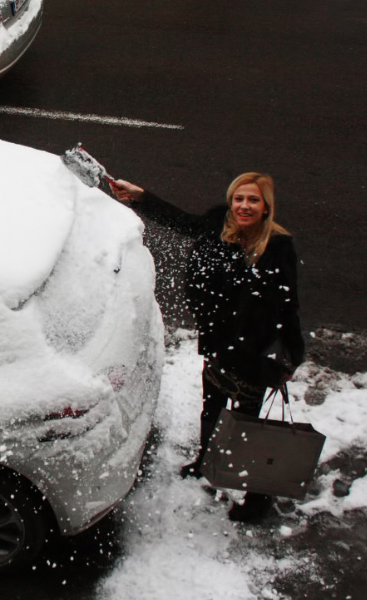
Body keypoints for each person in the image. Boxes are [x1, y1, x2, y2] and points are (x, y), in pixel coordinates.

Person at [111, 172, 305, 522]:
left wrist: (292, 353)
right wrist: (141, 197)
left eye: (253, 200)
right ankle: (204, 461)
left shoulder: (277, 246)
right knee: (211, 408)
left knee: (246, 426)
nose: (244, 206)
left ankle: (256, 499)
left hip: (251, 355)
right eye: (239, 199)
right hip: (218, 344)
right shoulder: (217, 224)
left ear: (266, 207)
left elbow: (287, 304)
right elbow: (182, 222)